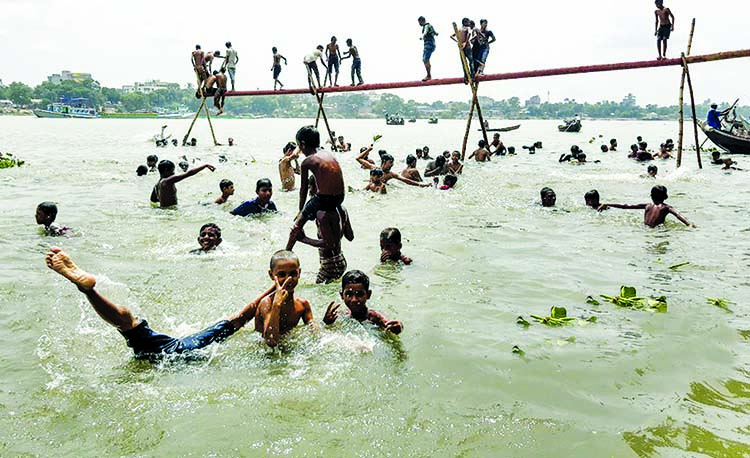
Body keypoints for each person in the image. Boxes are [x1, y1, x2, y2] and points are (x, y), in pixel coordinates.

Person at [44, 247, 321, 357]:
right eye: (280, 275)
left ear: (300, 274)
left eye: (291, 274)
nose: (287, 280)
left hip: (210, 336)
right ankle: (88, 290)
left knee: (132, 326)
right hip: (189, 351)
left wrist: (324, 328)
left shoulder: (302, 304)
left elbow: (241, 318)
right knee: (131, 325)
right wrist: (273, 302)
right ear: (272, 275)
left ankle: (88, 289)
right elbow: (270, 342)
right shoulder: (265, 306)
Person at [286, 126, 345, 251]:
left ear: (303, 145)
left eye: (299, 146)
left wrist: (301, 210)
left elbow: (303, 189)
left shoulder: (307, 161)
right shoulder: (329, 154)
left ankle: (287, 250)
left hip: (326, 199)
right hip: (340, 197)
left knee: (298, 223)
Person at [323, 270, 403, 334]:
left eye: (359, 294)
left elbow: (389, 324)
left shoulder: (374, 317)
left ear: (368, 295)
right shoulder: (341, 315)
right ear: (341, 295)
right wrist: (327, 323)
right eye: (349, 294)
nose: (354, 300)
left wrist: (398, 327)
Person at [296, 206, 354, 284]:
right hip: (340, 259)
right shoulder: (342, 209)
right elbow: (350, 237)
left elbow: (329, 244)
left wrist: (304, 239)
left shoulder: (323, 214)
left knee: (318, 293)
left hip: (330, 263)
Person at [598, 185, 695, 228]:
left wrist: (607, 204)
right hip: (657, 231)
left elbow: (625, 206)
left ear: (651, 196)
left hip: (644, 228)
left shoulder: (647, 205)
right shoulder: (666, 207)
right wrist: (688, 224)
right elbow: (678, 215)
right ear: (665, 196)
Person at [149, 160, 215, 208]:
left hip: (165, 210)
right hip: (171, 211)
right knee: (206, 204)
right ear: (166, 170)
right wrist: (205, 166)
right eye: (172, 171)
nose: (174, 173)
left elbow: (153, 200)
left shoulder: (157, 185)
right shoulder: (168, 181)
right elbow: (189, 173)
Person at [356, 147, 431, 188]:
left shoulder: (391, 174)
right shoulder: (373, 168)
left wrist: (422, 185)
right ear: (384, 162)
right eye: (390, 163)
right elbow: (358, 159)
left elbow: (406, 181)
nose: (392, 165)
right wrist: (368, 150)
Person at [418, 16, 438, 81]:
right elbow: (435, 33)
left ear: (422, 21)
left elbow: (425, 32)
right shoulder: (430, 26)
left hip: (429, 44)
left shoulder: (426, 26)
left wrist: (422, 37)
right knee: (425, 59)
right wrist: (435, 33)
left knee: (425, 59)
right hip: (431, 44)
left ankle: (429, 75)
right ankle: (428, 75)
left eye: (419, 22)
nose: (419, 24)